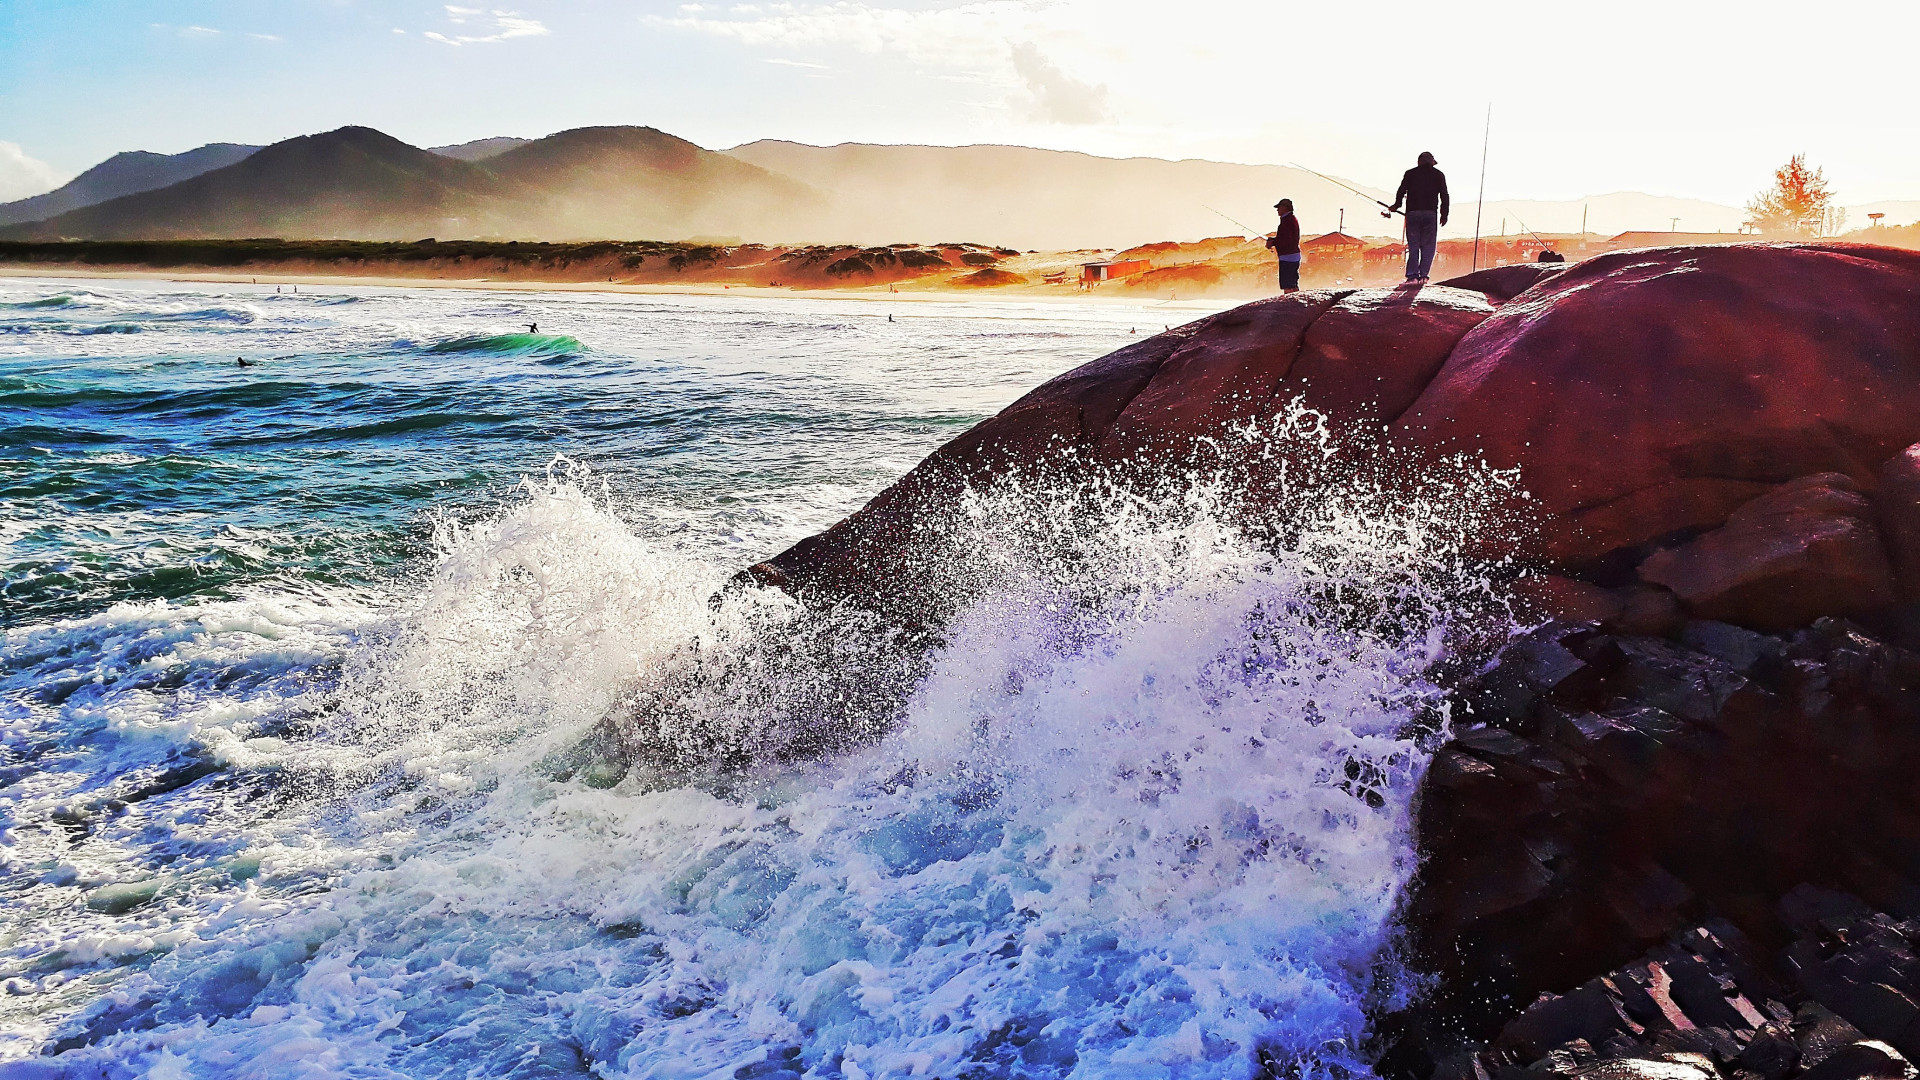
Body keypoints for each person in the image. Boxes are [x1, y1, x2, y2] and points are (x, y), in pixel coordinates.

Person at [1389, 152, 1450, 282]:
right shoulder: (1438, 175)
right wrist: (1444, 215)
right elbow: (1444, 195)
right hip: (1430, 214)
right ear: (1432, 162)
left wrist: (1396, 206)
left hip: (1412, 213)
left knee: (1414, 245)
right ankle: (1423, 276)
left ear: (1419, 162)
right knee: (1428, 246)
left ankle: (1412, 276)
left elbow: (1401, 191)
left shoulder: (1410, 174)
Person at [1265, 198, 1302, 294]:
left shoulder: (1287, 221)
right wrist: (1274, 240)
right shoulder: (1290, 219)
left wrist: (1272, 242)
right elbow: (1286, 237)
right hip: (1292, 255)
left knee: (1288, 285)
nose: (1277, 210)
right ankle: (1296, 304)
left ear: (1285, 207)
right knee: (1292, 283)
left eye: (1279, 207)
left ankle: (1290, 306)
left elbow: (1286, 240)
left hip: (1288, 257)